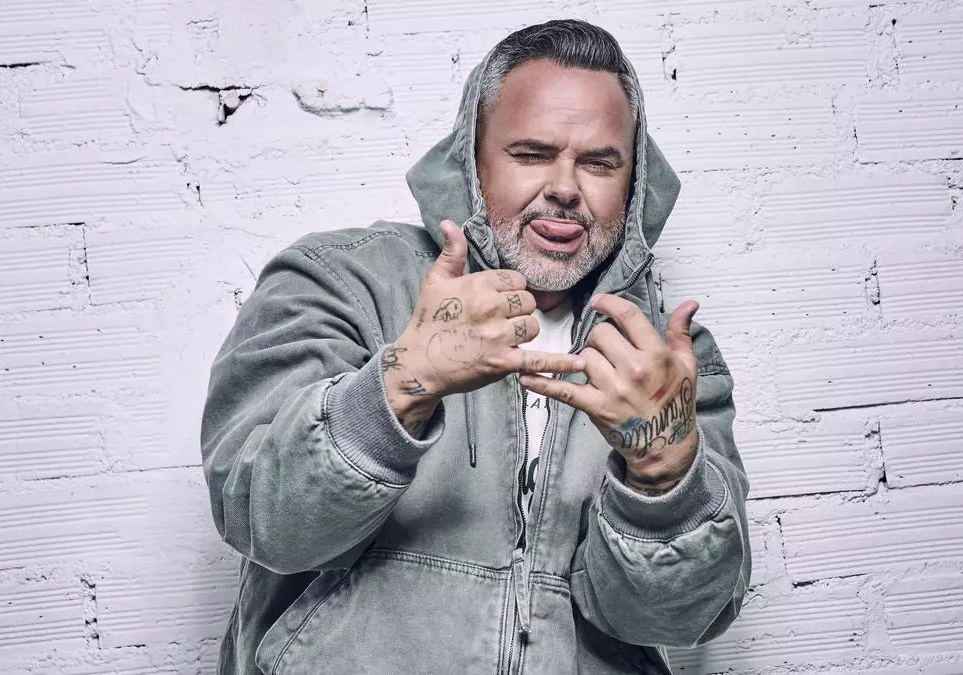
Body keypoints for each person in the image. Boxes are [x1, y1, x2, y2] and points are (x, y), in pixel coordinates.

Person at [201, 19, 750, 675]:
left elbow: (677, 621)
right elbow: (262, 518)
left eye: (600, 163)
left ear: (632, 185)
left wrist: (662, 475)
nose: (566, 188)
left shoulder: (664, 363)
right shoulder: (340, 282)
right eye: (531, 153)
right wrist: (402, 384)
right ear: (472, 160)